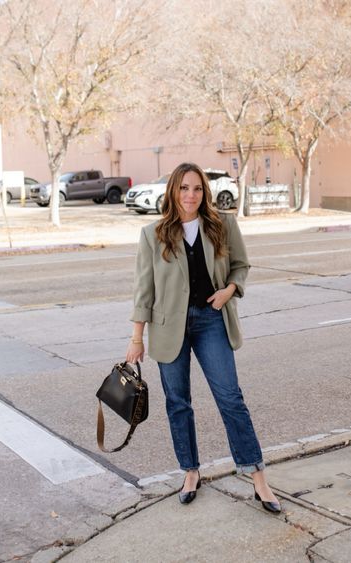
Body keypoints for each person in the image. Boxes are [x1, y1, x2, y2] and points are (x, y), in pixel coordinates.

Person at [126, 162, 281, 513]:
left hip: (212, 320)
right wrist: (137, 337)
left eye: (196, 188)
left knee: (230, 398)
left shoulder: (222, 225)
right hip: (169, 327)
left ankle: (258, 478)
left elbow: (241, 266)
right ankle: (191, 472)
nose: (190, 195)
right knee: (178, 403)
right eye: (183, 188)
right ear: (173, 192)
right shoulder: (153, 234)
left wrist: (229, 290)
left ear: (204, 192)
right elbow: (143, 290)